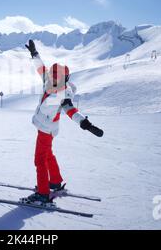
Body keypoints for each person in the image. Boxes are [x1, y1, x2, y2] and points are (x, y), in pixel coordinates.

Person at [23, 39, 103, 205]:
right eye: (52, 77)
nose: (53, 81)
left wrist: (84, 124)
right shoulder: (49, 80)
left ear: (65, 78)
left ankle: (43, 194)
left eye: (57, 79)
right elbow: (40, 68)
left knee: (40, 160)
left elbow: (70, 110)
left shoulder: (63, 94)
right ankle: (55, 182)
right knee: (48, 155)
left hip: (47, 129)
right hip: (46, 127)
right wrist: (34, 54)